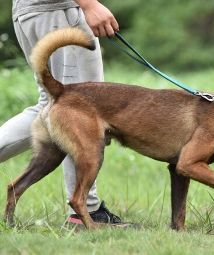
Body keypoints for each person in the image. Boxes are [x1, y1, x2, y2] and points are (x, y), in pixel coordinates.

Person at [3, 0, 125, 226]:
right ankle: (86, 212)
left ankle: (86, 210)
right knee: (80, 110)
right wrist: (89, 5)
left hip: (31, 11)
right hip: (57, 10)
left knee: (52, 105)